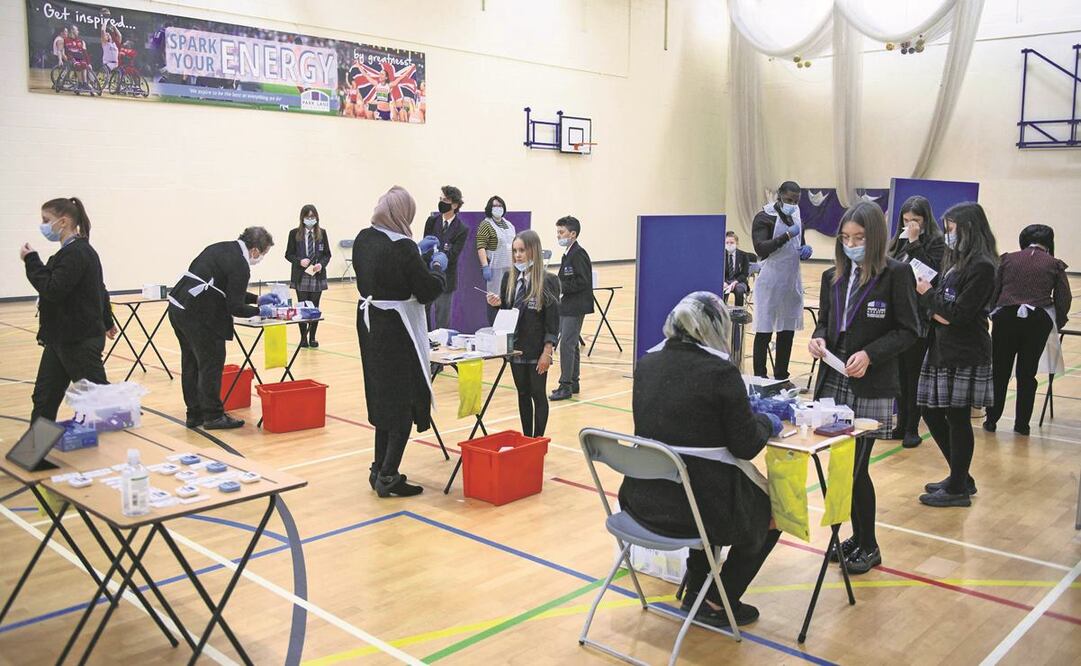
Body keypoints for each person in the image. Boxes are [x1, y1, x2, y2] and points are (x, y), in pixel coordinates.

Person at [618, 292, 783, 628]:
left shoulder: (646, 363)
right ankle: (718, 599)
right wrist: (766, 422)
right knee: (775, 512)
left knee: (698, 481)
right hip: (698, 508)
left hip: (642, 500)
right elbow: (746, 446)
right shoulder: (721, 372)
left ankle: (696, 589)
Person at [809, 202, 919, 574]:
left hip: (868, 381)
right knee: (843, 465)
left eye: (859, 238)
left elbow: (909, 330)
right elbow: (825, 322)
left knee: (855, 467)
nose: (852, 243)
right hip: (834, 376)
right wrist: (818, 339)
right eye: (846, 237)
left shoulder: (896, 274)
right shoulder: (833, 277)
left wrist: (871, 354)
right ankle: (858, 536)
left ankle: (869, 545)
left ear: (874, 239)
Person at [354, 186, 448, 498]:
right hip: (397, 329)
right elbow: (425, 291)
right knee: (403, 403)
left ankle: (377, 467)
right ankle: (389, 475)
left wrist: (415, 256)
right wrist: (435, 268)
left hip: (370, 325)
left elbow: (388, 272)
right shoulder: (404, 247)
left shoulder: (364, 239)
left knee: (382, 398)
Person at [915, 202, 999, 508]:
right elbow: (944, 311)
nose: (948, 235)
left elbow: (958, 315)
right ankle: (960, 476)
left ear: (968, 229)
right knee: (930, 410)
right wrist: (936, 307)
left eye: (951, 229)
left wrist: (929, 298)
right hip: (943, 346)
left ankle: (958, 488)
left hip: (966, 351)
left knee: (958, 417)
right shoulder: (958, 261)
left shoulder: (983, 266)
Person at [21, 197, 117, 422]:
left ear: (63, 222)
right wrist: (108, 320)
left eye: (47, 220)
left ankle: (116, 449)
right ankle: (38, 453)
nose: (43, 225)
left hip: (78, 340)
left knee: (98, 402)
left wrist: (31, 260)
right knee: (44, 397)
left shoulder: (78, 253)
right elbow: (99, 289)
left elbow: (53, 289)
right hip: (60, 338)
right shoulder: (70, 253)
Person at [168, 227, 274, 430]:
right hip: (199, 315)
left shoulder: (220, 248)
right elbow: (234, 306)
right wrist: (260, 311)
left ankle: (195, 414)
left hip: (179, 306)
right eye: (263, 253)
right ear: (254, 250)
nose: (260, 258)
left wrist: (256, 299)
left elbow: (226, 289)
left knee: (190, 363)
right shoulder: (241, 265)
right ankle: (213, 416)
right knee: (210, 364)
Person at [984, 224, 1071, 435]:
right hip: (1037, 321)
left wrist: (993, 311)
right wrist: (1058, 321)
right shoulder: (1055, 264)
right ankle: (1022, 424)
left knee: (999, 371)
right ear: (1049, 243)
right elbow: (1064, 298)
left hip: (1005, 318)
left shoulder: (1007, 259)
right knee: (1027, 373)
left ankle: (992, 420)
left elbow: (994, 288)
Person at [486, 230, 560, 436]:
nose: (518, 255)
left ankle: (538, 440)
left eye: (522, 251)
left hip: (537, 349)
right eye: (515, 251)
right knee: (522, 393)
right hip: (516, 347)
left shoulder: (548, 281)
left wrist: (548, 350)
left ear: (533, 251)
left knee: (538, 393)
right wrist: (498, 304)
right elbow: (506, 313)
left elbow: (553, 320)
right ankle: (527, 437)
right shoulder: (509, 278)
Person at [888, 195, 946, 448]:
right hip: (896, 317)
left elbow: (928, 274)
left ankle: (912, 427)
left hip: (920, 318)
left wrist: (913, 242)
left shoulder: (936, 244)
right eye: (906, 220)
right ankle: (900, 424)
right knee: (899, 374)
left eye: (916, 220)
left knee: (914, 375)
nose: (910, 224)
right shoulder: (897, 242)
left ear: (925, 221)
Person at [752, 181, 813, 379]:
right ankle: (760, 377)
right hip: (770, 280)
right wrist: (786, 235)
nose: (792, 204)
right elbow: (761, 248)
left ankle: (781, 375)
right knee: (764, 330)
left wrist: (805, 250)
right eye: (788, 200)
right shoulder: (764, 217)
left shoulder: (796, 215)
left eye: (795, 201)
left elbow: (799, 243)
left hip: (791, 280)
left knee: (787, 330)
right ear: (779, 195)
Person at [551, 216, 593, 401]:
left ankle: (565, 385)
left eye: (562, 232)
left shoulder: (578, 254)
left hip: (575, 305)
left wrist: (560, 287)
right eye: (558, 232)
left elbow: (582, 281)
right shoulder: (568, 253)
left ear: (573, 234)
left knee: (566, 345)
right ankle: (573, 381)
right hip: (567, 304)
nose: (558, 235)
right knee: (572, 343)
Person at [284, 204, 331, 348]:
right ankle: (303, 338)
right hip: (301, 275)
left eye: (313, 217)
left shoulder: (322, 233)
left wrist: (321, 265)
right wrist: (299, 261)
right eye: (307, 217)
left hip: (316, 275)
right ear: (302, 218)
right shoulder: (294, 234)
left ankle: (313, 337)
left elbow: (327, 254)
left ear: (316, 218)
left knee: (314, 308)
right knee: (303, 307)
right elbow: (288, 254)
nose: (310, 219)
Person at [422, 186, 467, 329]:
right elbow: (425, 247)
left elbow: (453, 255)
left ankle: (441, 347)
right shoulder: (431, 221)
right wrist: (431, 256)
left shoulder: (461, 229)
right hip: (428, 275)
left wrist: (440, 257)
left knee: (442, 318)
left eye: (445, 200)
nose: (441, 202)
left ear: (455, 204)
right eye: (440, 199)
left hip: (446, 279)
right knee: (424, 313)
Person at [476, 196, 516, 325]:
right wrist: (485, 266)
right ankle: (494, 325)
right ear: (489, 208)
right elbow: (481, 246)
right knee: (494, 299)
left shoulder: (509, 225)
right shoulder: (486, 224)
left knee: (509, 297)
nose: (498, 208)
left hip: (511, 267)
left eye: (500, 205)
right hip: (495, 268)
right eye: (495, 206)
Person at [722, 231, 752, 307]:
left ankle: (738, 314)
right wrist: (724, 282)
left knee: (739, 290)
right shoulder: (721, 255)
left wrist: (735, 282)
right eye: (727, 243)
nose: (729, 245)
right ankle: (722, 312)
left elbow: (745, 273)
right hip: (726, 281)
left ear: (737, 243)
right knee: (721, 289)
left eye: (732, 243)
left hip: (739, 281)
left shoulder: (744, 255)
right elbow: (718, 271)